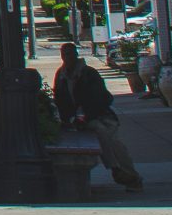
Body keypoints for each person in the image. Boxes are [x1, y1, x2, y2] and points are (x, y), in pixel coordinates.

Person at [53, 43, 144, 193]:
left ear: (76, 55)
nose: (66, 57)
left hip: (101, 116)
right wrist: (69, 119)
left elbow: (102, 98)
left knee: (109, 138)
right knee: (98, 133)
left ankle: (127, 174)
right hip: (77, 121)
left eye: (69, 54)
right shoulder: (61, 76)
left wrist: (87, 115)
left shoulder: (89, 73)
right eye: (64, 54)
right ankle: (117, 170)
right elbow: (60, 100)